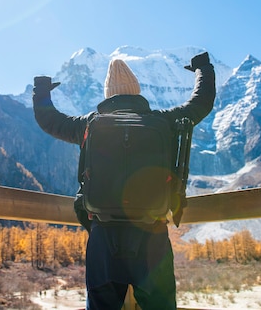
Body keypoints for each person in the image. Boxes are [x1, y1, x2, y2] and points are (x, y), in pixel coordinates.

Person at [32, 52, 216, 310]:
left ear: (109, 96)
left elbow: (49, 120)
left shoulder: (90, 125)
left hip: (103, 236)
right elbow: (201, 103)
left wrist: (41, 89)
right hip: (151, 234)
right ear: (137, 92)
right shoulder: (164, 121)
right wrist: (202, 69)